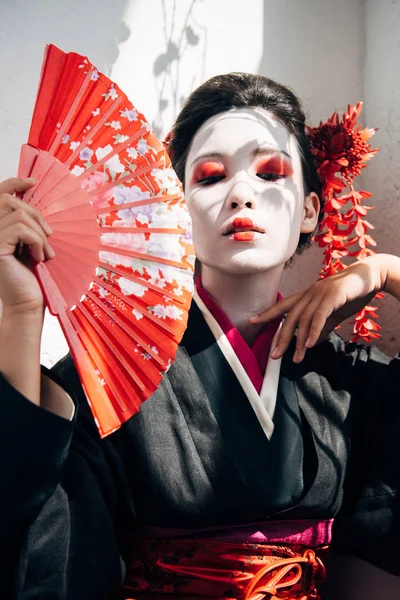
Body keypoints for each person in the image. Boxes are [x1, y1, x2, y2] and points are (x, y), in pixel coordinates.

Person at [1, 72, 400, 600]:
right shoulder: (112, 377)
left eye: (270, 173)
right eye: (210, 177)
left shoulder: (348, 378)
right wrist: (20, 316)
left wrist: (383, 271)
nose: (241, 194)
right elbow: (37, 543)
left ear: (308, 209)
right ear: (177, 208)